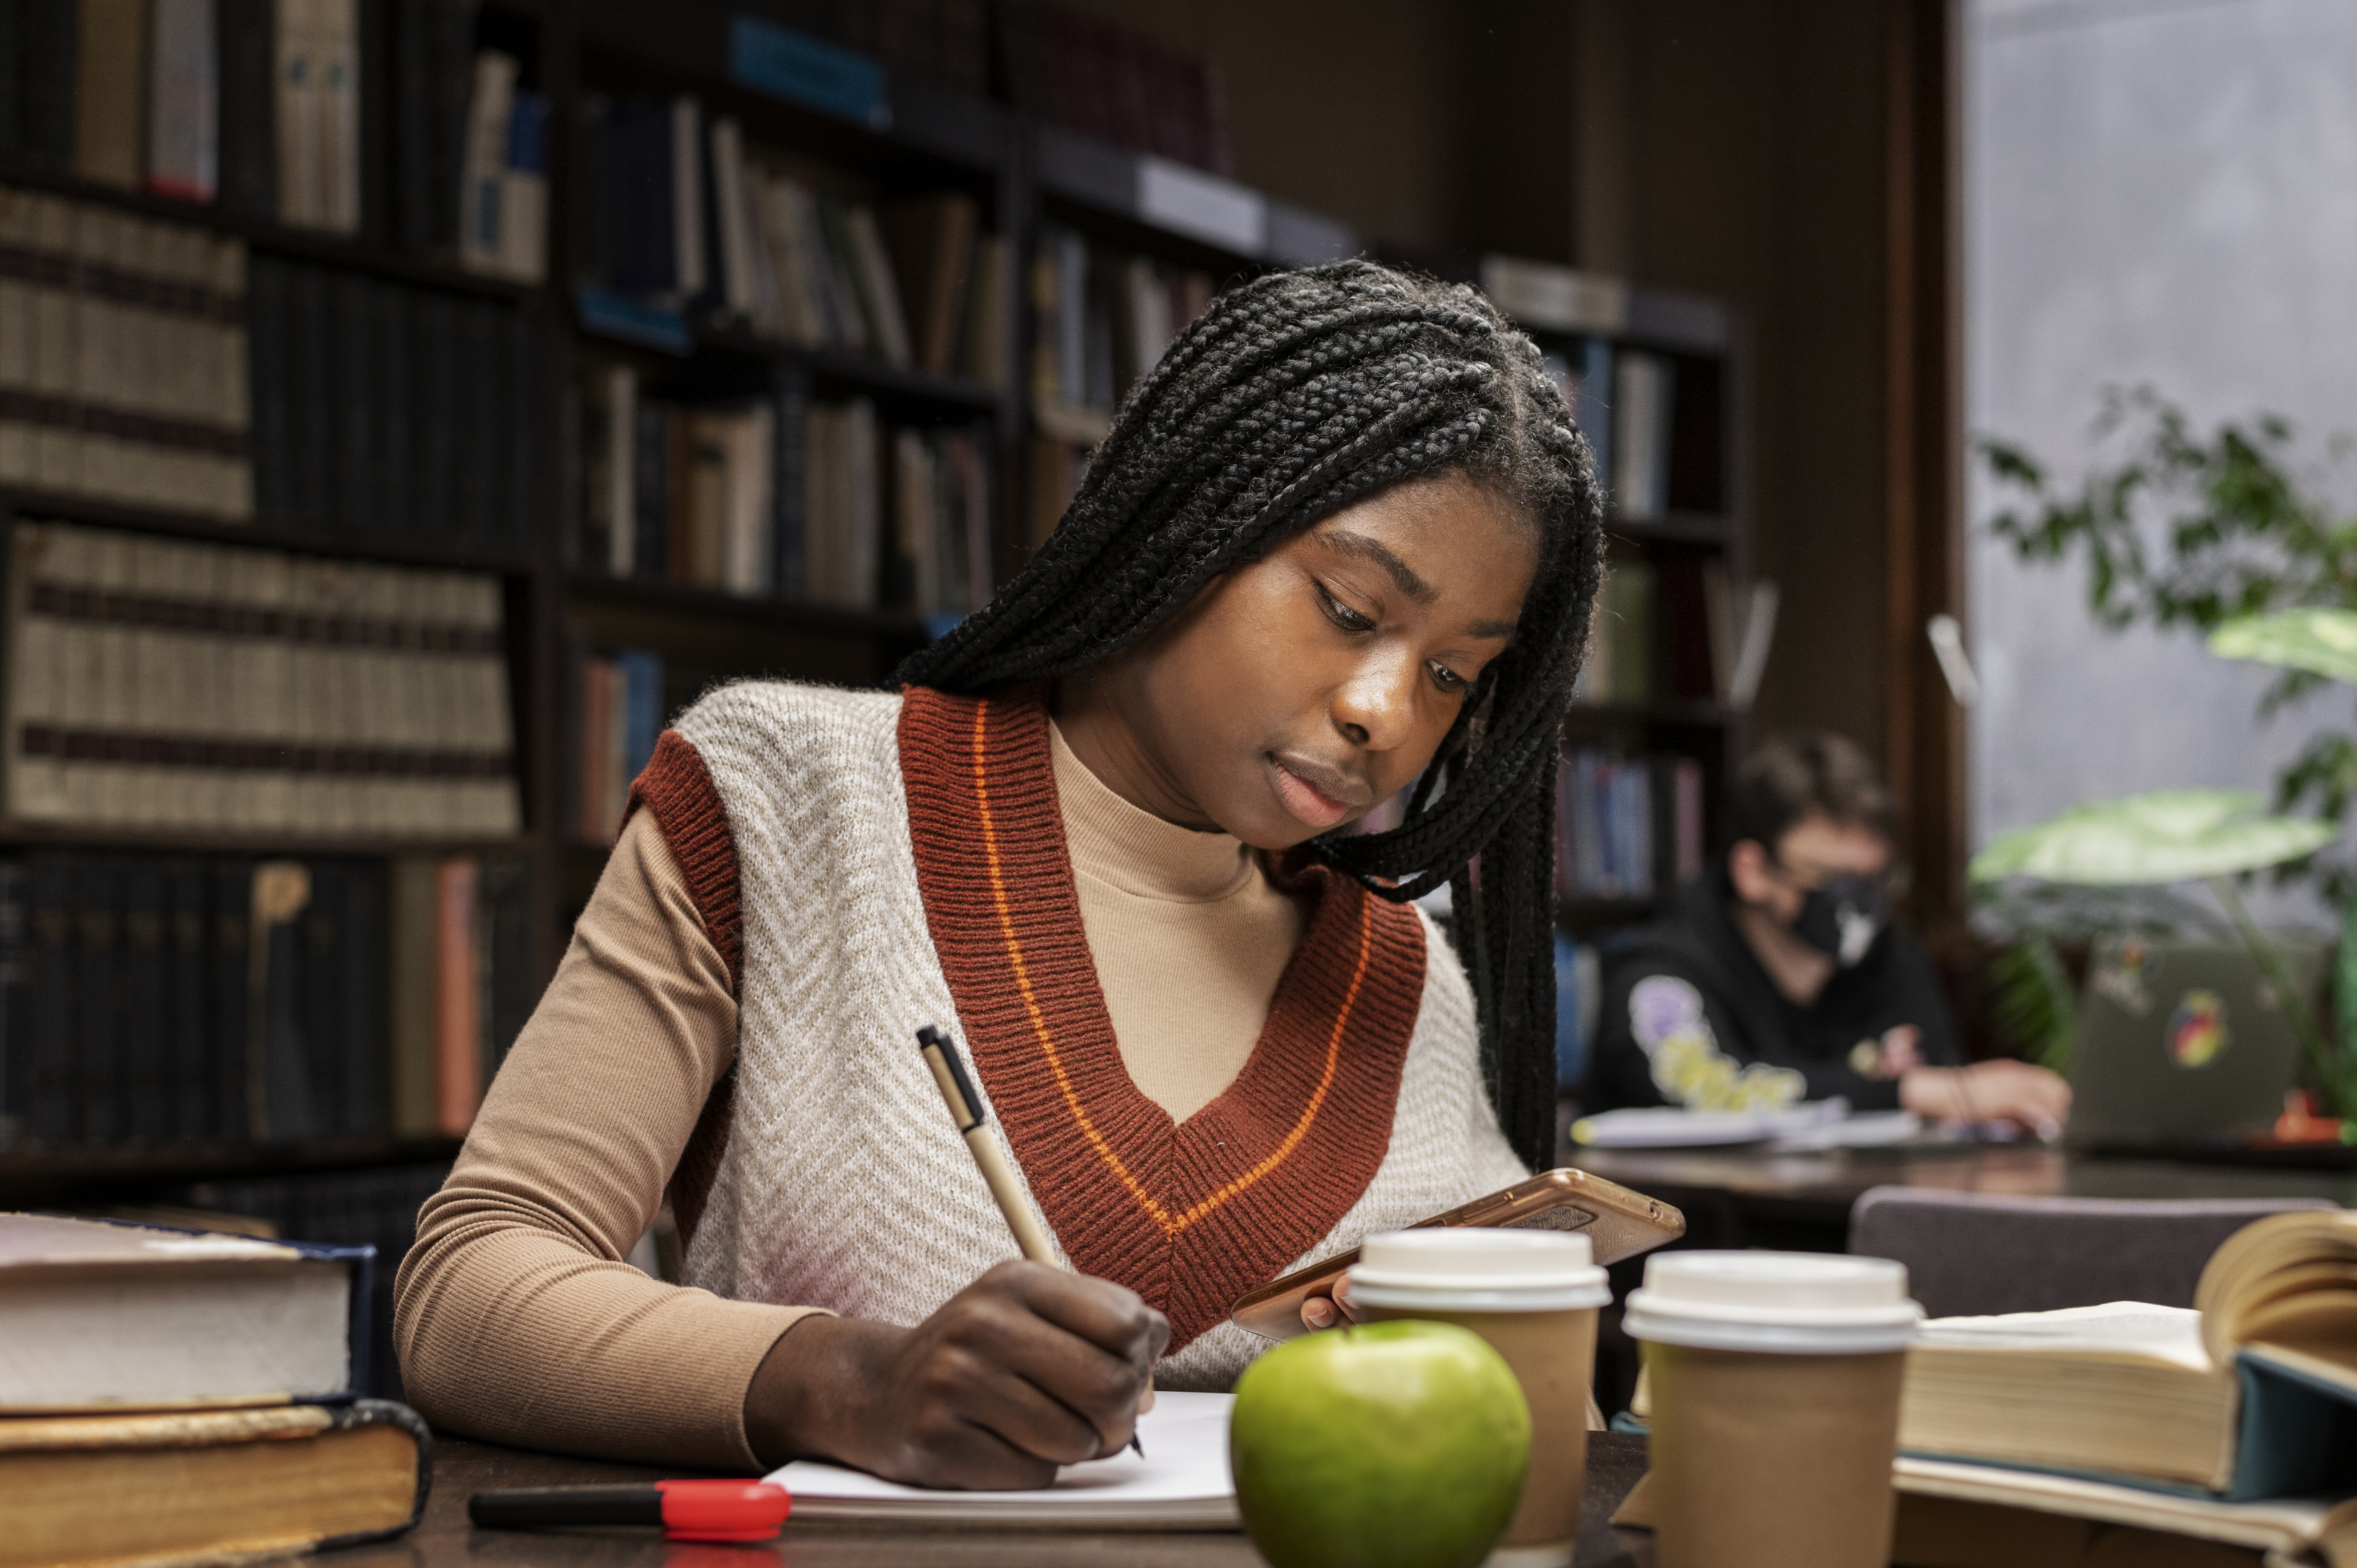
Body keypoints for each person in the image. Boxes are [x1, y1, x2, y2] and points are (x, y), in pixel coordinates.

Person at [393, 262, 1604, 1487]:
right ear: (1189, 510)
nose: (1385, 713)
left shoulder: (1407, 980)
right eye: (1348, 608)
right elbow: (471, 1288)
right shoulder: (786, 801)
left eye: (1453, 675)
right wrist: (849, 1384)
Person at [1583, 733, 2071, 1133]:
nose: (1856, 904)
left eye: (1874, 880)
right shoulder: (1661, 971)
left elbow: (1942, 1096)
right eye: (1831, 880)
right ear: (1754, 871)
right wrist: (1908, 1091)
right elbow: (1702, 1087)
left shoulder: (1892, 961)